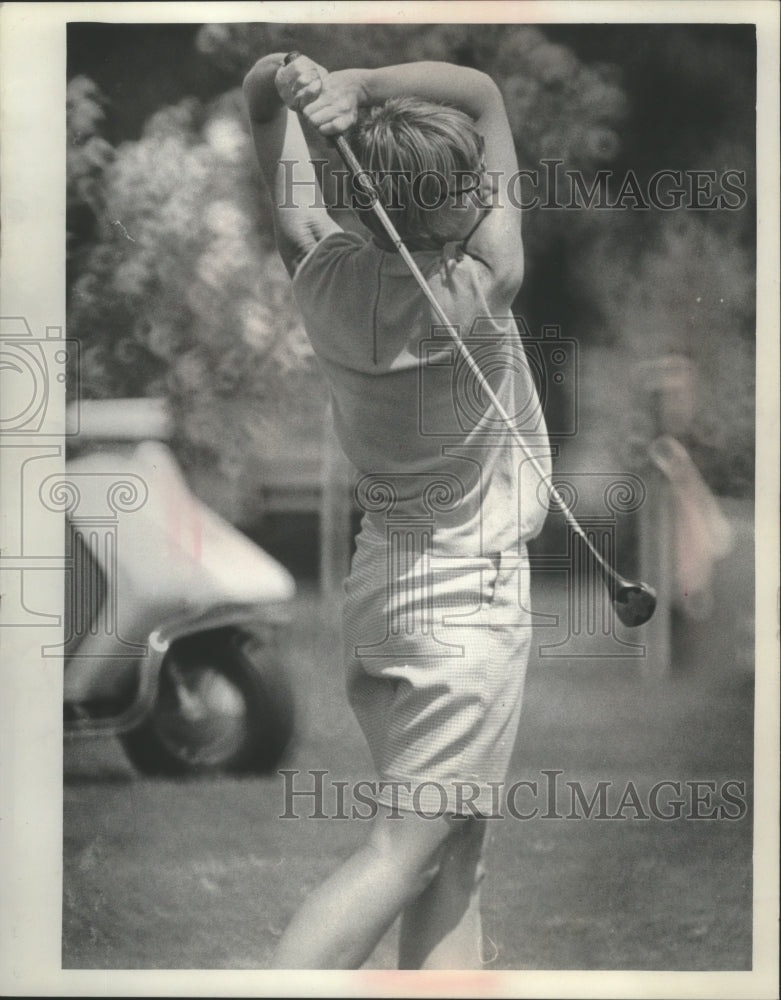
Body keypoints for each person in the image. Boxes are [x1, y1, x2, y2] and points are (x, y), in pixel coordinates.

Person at [243, 52, 551, 970]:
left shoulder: (320, 272)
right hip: (467, 607)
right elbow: (487, 94)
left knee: (456, 855)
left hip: (385, 593)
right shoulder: (482, 283)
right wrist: (362, 83)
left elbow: (264, 120)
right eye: (468, 186)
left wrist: (284, 76)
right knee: (403, 851)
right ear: (458, 204)